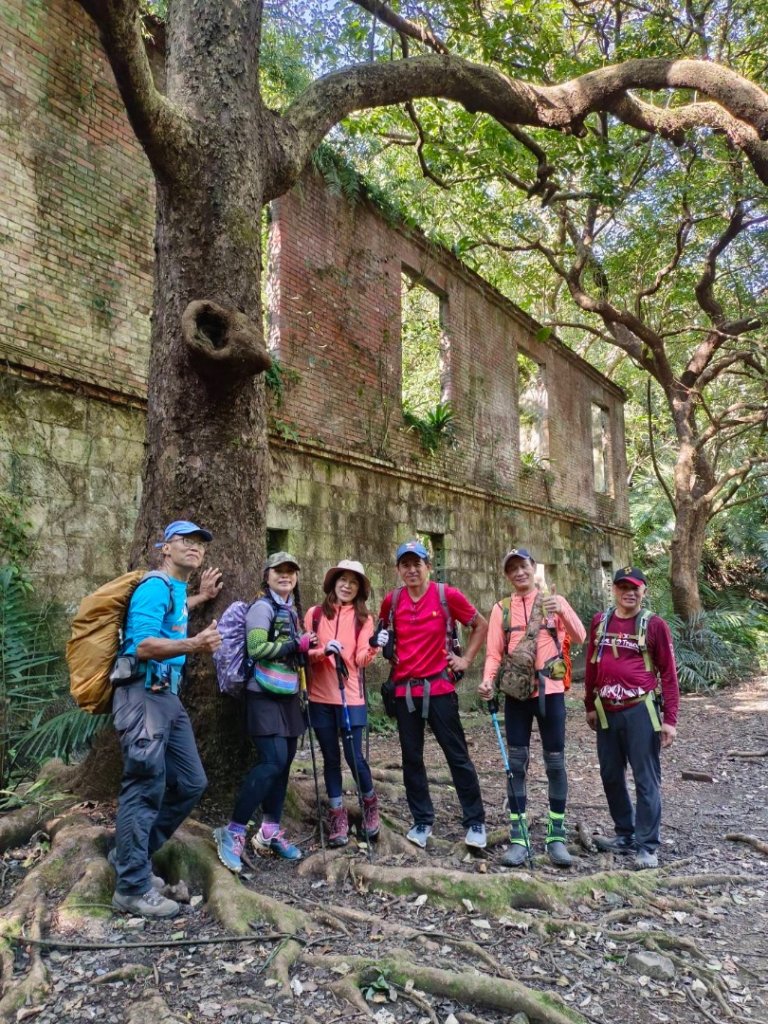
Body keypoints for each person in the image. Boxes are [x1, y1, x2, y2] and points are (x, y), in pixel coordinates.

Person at [111, 519, 223, 918]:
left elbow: (175, 612)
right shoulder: (154, 586)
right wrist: (194, 644)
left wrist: (201, 597)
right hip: (142, 695)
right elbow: (141, 644)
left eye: (200, 543)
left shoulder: (174, 591)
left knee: (192, 781)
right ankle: (131, 887)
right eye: (185, 541)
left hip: (167, 699)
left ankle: (130, 856)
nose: (195, 548)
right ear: (165, 548)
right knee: (145, 786)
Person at [375, 540, 488, 849]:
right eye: (405, 564)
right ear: (398, 569)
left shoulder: (446, 595)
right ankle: (422, 820)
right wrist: (379, 641)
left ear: (428, 566)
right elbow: (381, 637)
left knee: (457, 755)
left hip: (438, 687)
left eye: (417, 563)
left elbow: (480, 625)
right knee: (412, 759)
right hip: (403, 690)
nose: (412, 569)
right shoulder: (392, 601)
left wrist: (466, 660)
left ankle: (475, 821)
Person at [479, 547, 586, 868]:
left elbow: (580, 636)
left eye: (523, 567)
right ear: (507, 575)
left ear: (532, 568)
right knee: (516, 763)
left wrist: (563, 608)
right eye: (512, 569)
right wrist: (487, 681)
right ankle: (518, 836)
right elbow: (494, 653)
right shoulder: (502, 609)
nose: (519, 573)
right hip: (517, 694)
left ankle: (556, 836)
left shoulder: (554, 602)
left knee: (555, 763)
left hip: (551, 692)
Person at [213, 551, 314, 872]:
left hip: (287, 696)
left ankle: (269, 831)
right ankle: (233, 831)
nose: (285, 576)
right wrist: (293, 647)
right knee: (270, 762)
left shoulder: (291, 610)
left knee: (283, 765)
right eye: (278, 571)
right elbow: (257, 647)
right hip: (262, 696)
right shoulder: (261, 607)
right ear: (267, 575)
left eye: (291, 572)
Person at [584, 566, 679, 870]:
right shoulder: (601, 622)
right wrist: (589, 704)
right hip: (606, 709)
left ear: (643, 591)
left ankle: (647, 845)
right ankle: (624, 833)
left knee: (645, 778)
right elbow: (591, 664)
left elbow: (669, 673)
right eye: (623, 586)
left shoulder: (654, 626)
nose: (629, 592)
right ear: (613, 589)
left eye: (635, 587)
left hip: (641, 709)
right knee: (611, 774)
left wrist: (670, 720)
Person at [305, 560, 381, 847]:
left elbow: (361, 659)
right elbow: (306, 652)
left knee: (354, 756)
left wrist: (373, 643)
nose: (347, 585)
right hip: (320, 697)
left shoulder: (364, 618)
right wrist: (323, 651)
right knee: (330, 758)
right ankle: (337, 815)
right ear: (333, 583)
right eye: (342, 579)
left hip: (350, 697)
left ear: (359, 588)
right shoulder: (313, 615)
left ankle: (370, 804)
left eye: (353, 581)